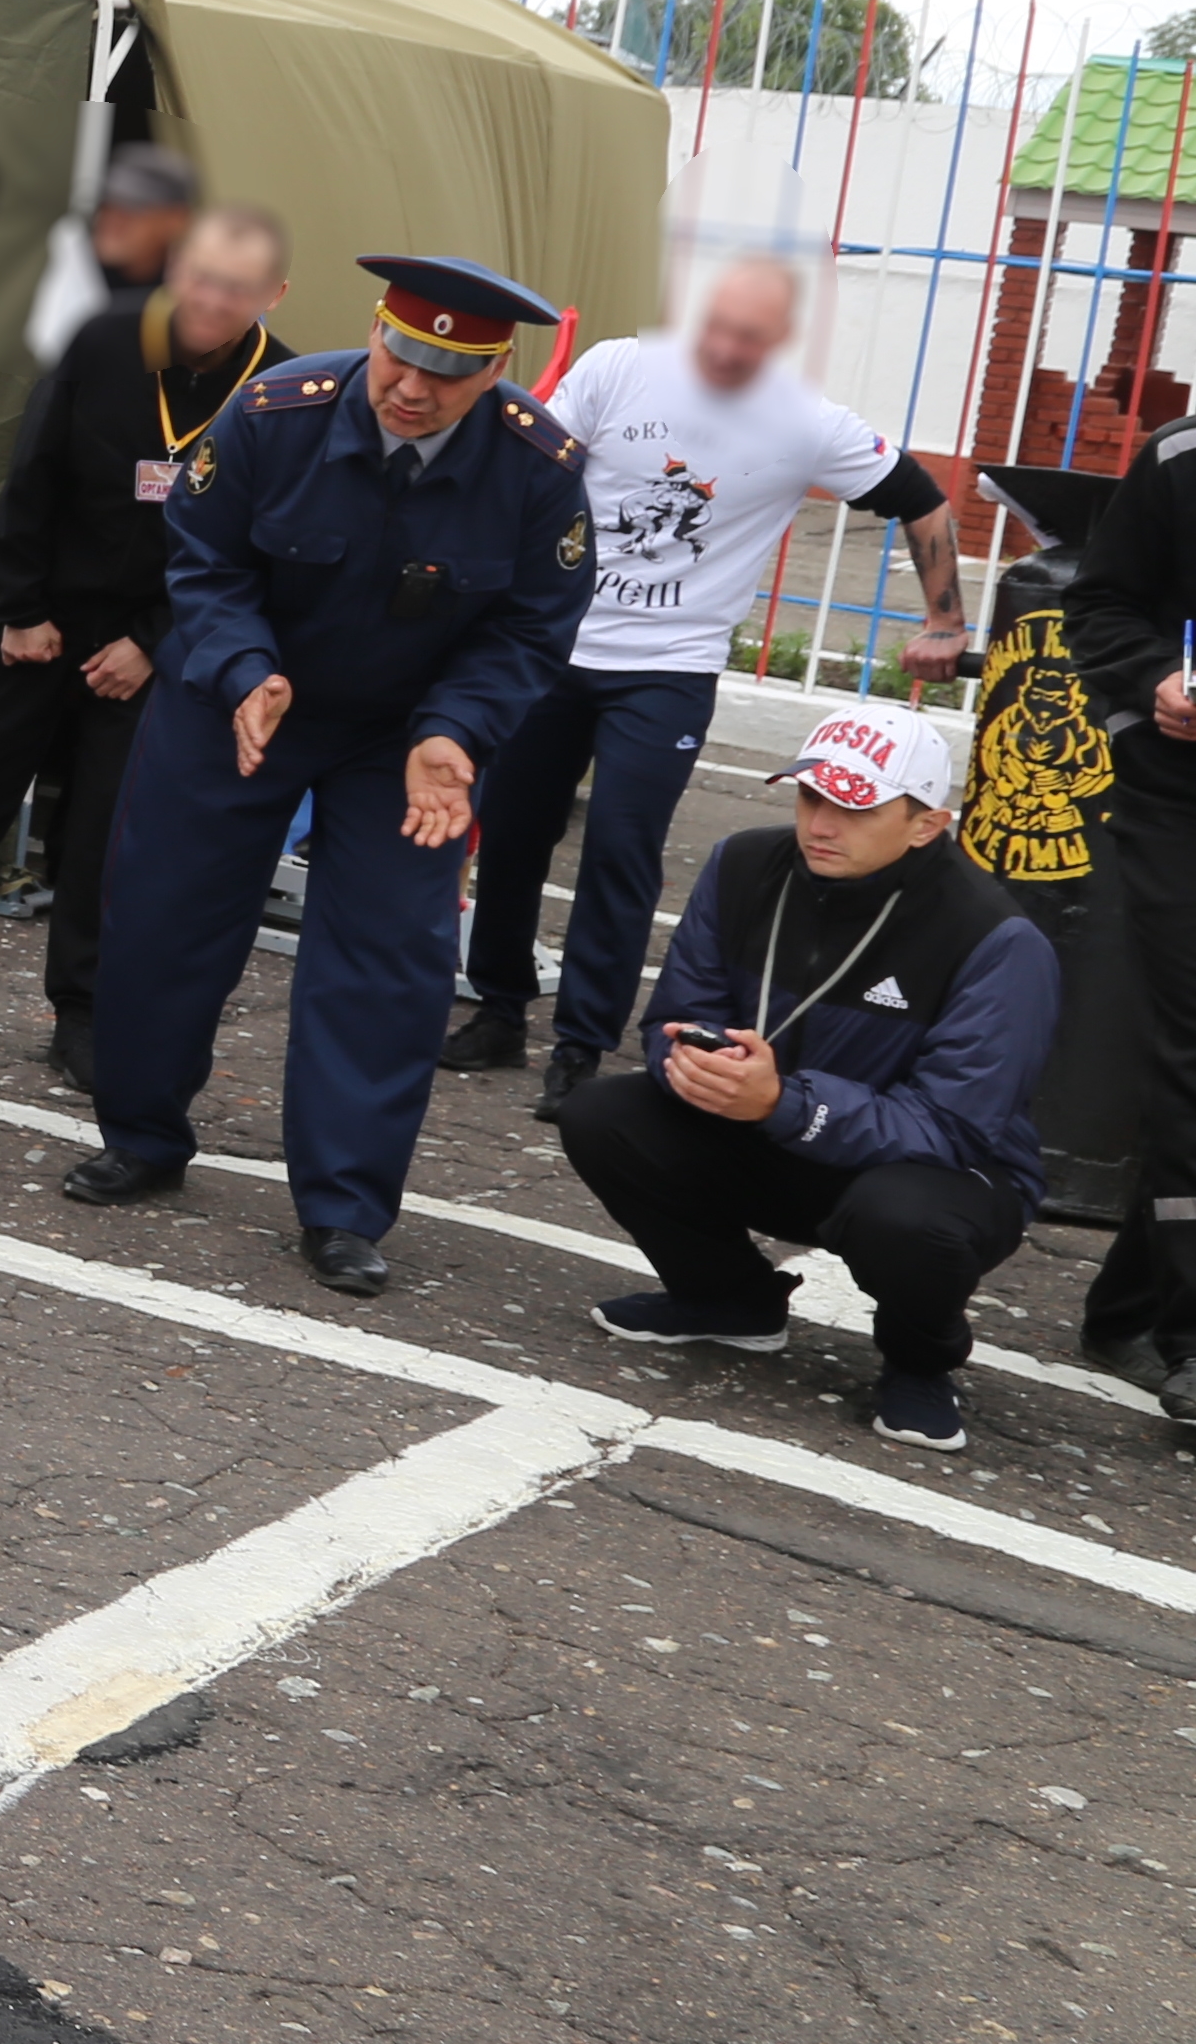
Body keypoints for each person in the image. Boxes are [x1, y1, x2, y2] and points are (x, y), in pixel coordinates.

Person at [63, 257, 593, 1294]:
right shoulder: (274, 413)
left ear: (496, 373)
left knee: (389, 961)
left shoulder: (539, 468)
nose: (412, 385)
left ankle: (344, 1207)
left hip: (408, 739)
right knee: (165, 917)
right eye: (402, 353)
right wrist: (245, 670)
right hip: (243, 702)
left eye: (450, 371)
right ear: (375, 330)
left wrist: (456, 733)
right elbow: (203, 564)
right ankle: (142, 1135)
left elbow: (534, 630)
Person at [444, 255, 970, 1120]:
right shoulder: (618, 367)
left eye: (750, 338)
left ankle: (581, 1045)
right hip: (556, 646)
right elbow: (531, 463)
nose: (727, 349)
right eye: (716, 327)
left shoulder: (808, 423)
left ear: (780, 343)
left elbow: (922, 500)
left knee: (619, 847)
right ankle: (499, 1008)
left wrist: (944, 621)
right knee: (509, 832)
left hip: (669, 667)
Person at [0, 201, 296, 1091]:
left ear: (273, 295)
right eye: (199, 278)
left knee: (99, 831)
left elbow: (257, 554)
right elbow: (29, 478)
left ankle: (79, 1008)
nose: (211, 301)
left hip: (153, 648)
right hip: (40, 616)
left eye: (236, 290)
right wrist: (18, 610)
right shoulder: (105, 342)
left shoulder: (279, 395)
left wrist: (152, 644)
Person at [557, 702, 1052, 1452]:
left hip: (937, 1173)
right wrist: (692, 1063)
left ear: (927, 824)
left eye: (856, 807)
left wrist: (786, 1103)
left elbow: (951, 1127)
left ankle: (921, 1362)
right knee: (602, 1114)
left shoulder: (997, 939)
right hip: (771, 1123)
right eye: (811, 796)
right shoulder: (743, 864)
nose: (821, 823)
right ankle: (729, 1299)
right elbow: (677, 1014)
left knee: (906, 1218)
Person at [1064, 404, 1196, 1415]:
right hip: (1178, 801)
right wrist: (1156, 680)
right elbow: (1100, 607)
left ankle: (1130, 1308)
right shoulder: (1181, 459)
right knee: (1190, 1061)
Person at [21, 141, 199, 368]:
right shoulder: (73, 261)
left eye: (134, 209)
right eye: (108, 205)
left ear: (176, 220)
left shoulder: (197, 291)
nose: (112, 220)